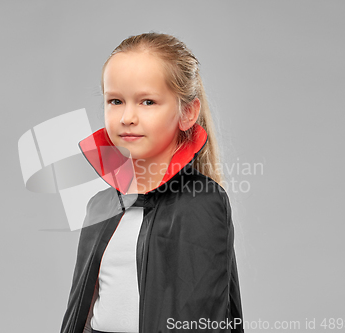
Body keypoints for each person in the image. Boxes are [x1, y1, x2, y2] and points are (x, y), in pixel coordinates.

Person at [60, 31, 244, 333]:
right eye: (115, 101)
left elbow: (200, 320)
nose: (127, 117)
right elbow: (81, 312)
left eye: (147, 101)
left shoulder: (202, 204)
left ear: (187, 113)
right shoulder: (101, 206)